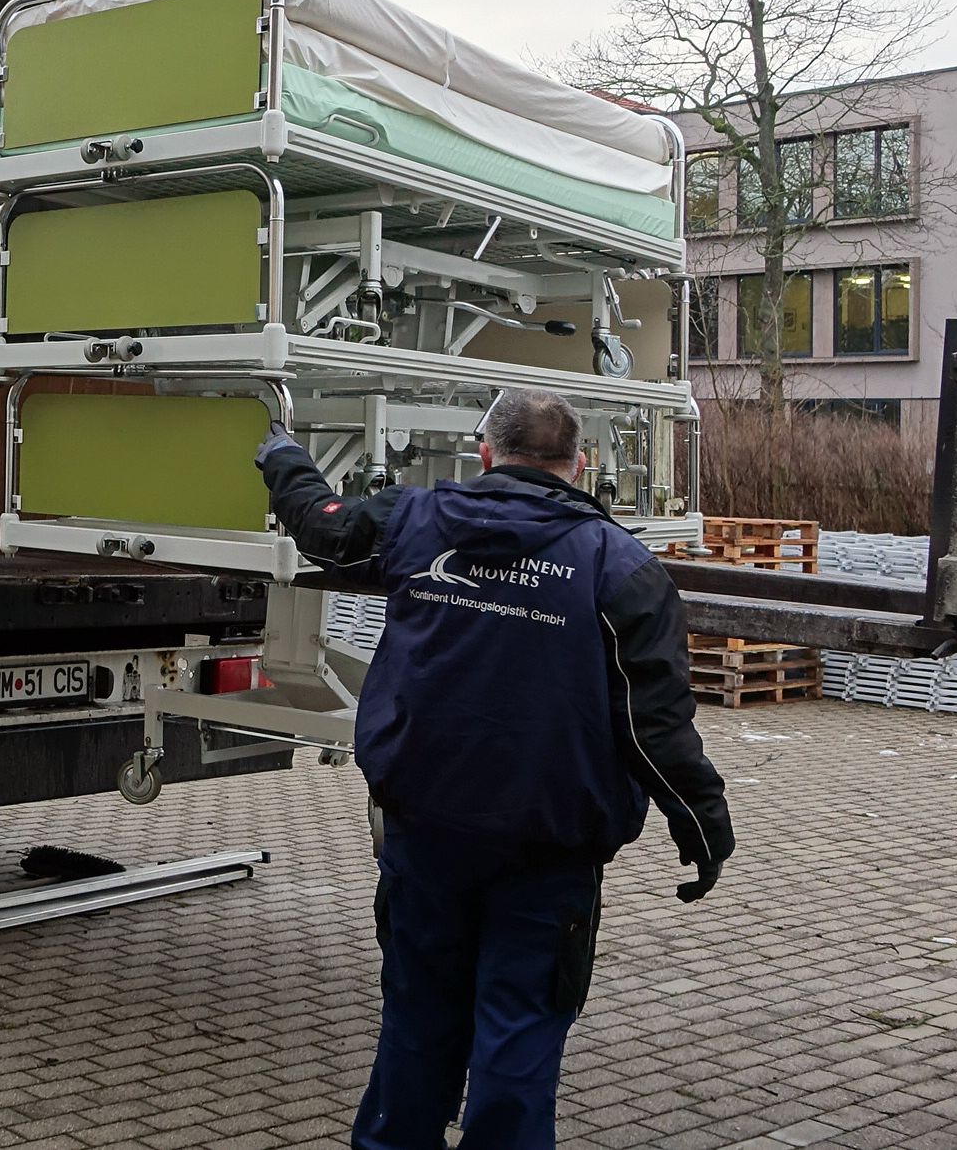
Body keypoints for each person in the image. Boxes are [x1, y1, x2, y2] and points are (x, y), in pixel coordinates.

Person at [255, 389, 733, 1150]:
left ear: (486, 452)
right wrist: (702, 820)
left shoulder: (414, 522)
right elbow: (656, 726)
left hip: (427, 828)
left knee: (418, 1012)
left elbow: (324, 527)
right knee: (518, 1029)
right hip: (548, 847)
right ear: (576, 467)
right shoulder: (621, 565)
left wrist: (284, 454)